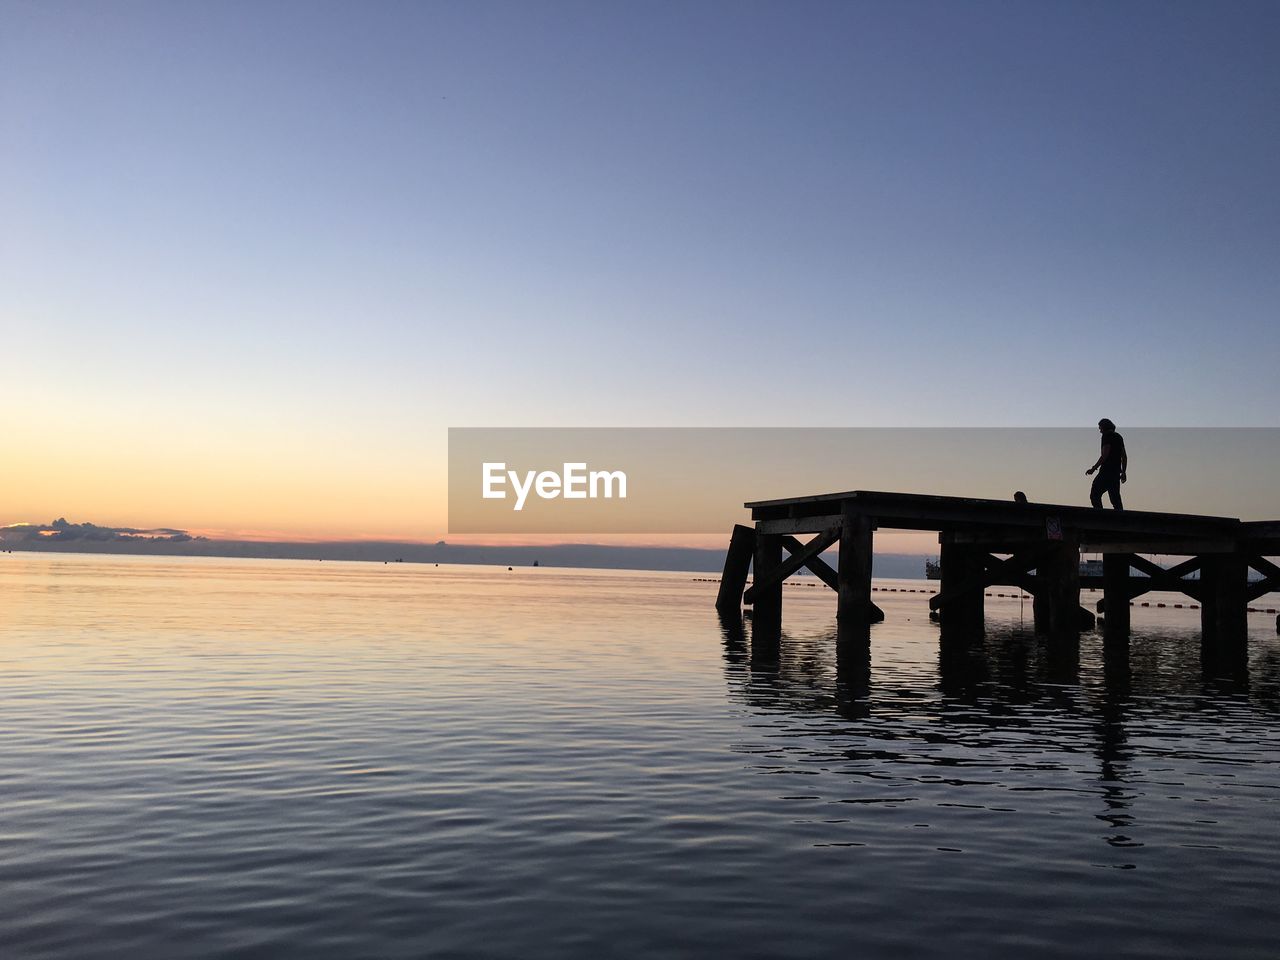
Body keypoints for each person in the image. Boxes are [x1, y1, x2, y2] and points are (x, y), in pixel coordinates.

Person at [1085, 418, 1127, 509]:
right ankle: (1121, 520)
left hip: (1106, 472)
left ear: (1104, 427)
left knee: (1095, 494)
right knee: (1115, 499)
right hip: (1116, 473)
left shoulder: (1106, 436)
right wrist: (1123, 472)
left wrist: (1093, 468)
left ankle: (1100, 516)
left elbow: (1105, 455)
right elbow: (1124, 456)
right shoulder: (1119, 437)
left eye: (1100, 428)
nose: (1100, 431)